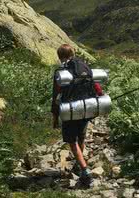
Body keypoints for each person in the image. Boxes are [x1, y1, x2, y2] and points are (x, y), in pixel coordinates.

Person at [51, 44, 103, 187]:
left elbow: (56, 95)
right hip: (87, 108)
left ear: (60, 56)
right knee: (81, 136)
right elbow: (96, 86)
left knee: (72, 141)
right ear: (72, 53)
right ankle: (79, 165)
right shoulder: (85, 67)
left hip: (71, 110)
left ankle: (85, 172)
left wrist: (55, 116)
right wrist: (100, 97)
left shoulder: (62, 72)